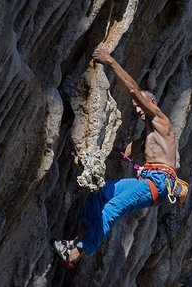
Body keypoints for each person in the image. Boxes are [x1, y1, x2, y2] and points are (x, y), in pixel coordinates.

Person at [52, 48, 177, 269]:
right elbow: (125, 153)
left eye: (140, 105)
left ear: (153, 102)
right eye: (136, 107)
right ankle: (76, 243)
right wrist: (91, 150)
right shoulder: (148, 136)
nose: (137, 109)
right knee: (100, 195)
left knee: (112, 209)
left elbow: (133, 90)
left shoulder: (160, 120)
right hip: (147, 180)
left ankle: (76, 254)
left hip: (158, 183)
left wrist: (110, 61)